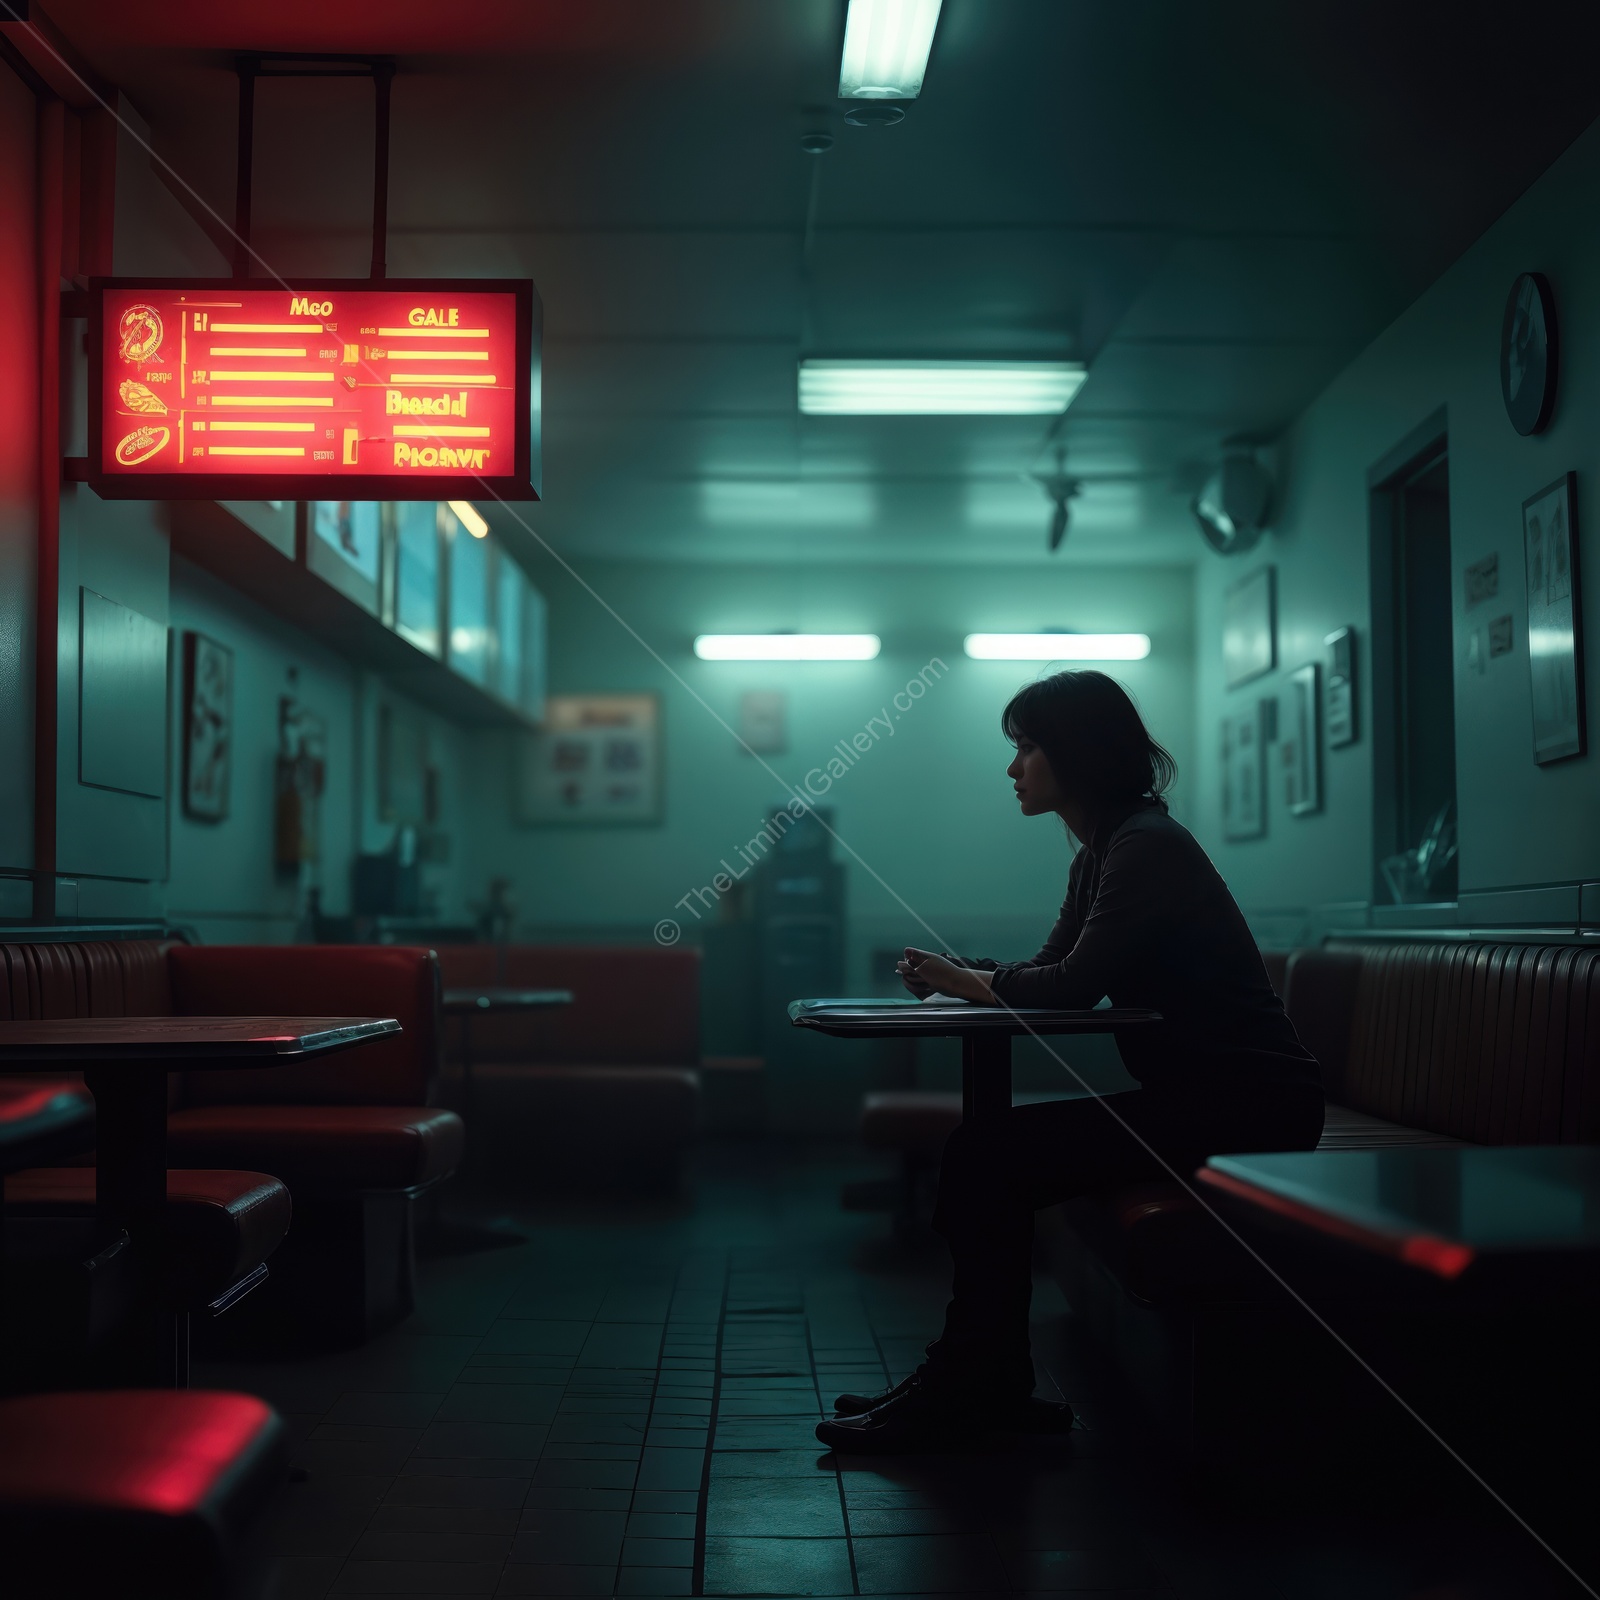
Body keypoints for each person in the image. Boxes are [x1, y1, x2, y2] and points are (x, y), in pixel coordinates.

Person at [816, 670, 1323, 1453]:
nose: (1012, 768)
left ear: (1076, 754)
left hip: (1253, 1105)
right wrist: (964, 974)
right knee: (987, 1156)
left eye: (1025, 748)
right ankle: (979, 1380)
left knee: (988, 1157)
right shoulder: (1108, 849)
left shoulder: (1146, 847)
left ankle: (974, 1384)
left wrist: (968, 981)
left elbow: (1072, 988)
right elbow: (1056, 971)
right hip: (1210, 1098)